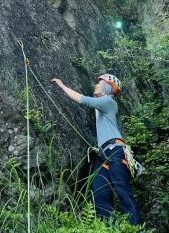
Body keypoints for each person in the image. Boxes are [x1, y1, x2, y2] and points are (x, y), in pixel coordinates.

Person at [51, 73, 142, 225]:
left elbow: (82, 100)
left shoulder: (108, 101)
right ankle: (108, 226)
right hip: (104, 155)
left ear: (107, 87)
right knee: (100, 192)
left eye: (99, 83)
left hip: (116, 151)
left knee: (123, 192)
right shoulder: (102, 102)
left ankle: (136, 227)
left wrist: (62, 86)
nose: (95, 85)